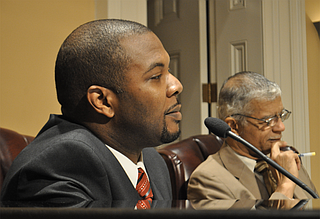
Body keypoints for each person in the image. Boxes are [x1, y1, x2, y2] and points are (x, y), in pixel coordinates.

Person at [1, 19, 183, 208]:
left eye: (169, 71)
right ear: (102, 101)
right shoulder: (61, 163)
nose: (176, 85)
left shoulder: (152, 162)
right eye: (155, 77)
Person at [188, 71, 317, 201]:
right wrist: (286, 185)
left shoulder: (286, 159)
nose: (281, 127)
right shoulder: (208, 180)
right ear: (233, 126)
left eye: (281, 115)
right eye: (268, 120)